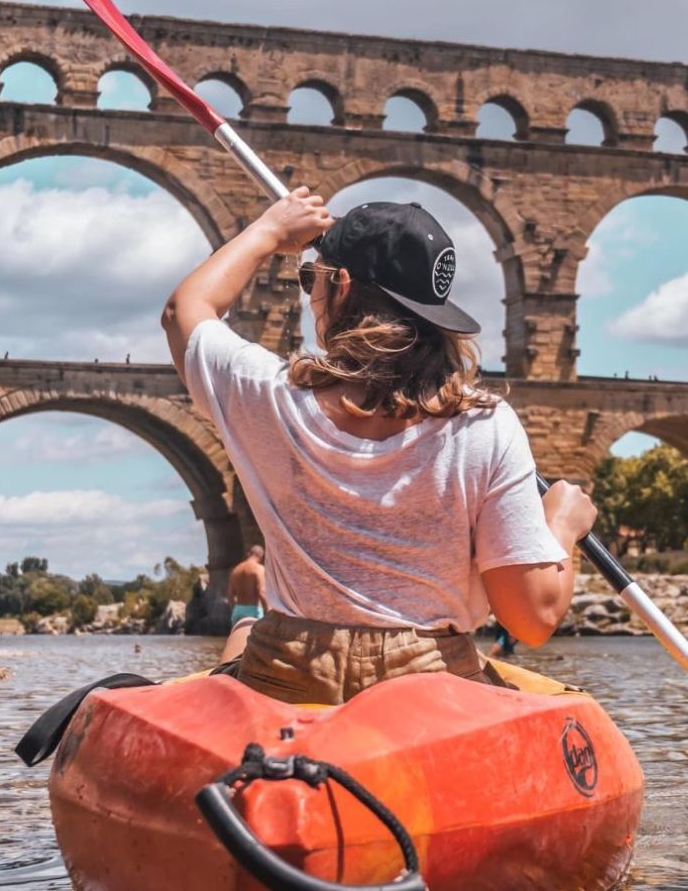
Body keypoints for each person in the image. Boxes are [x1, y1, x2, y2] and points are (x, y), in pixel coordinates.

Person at [167, 188, 595, 706]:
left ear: (340, 286)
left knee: (242, 636)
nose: (309, 297)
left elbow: (186, 309)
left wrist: (270, 231)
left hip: (289, 668)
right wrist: (562, 526)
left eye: (312, 280)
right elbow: (532, 618)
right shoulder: (486, 425)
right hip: (429, 681)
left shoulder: (267, 396)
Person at [226, 545, 266, 629]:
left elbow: (230, 595)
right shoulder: (259, 569)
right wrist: (269, 611)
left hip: (238, 610)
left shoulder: (236, 570)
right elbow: (261, 592)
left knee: (237, 640)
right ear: (261, 556)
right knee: (256, 641)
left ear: (249, 554)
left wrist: (235, 610)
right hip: (254, 611)